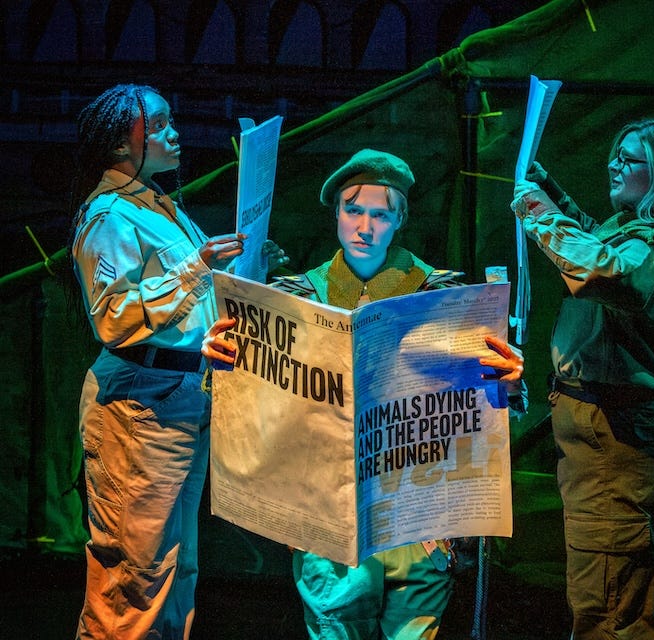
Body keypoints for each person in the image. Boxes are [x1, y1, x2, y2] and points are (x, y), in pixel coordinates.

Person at [203, 148, 525, 639]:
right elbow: (254, 408)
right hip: (330, 517)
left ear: (400, 220)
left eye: (380, 215)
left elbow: (486, 409)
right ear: (335, 213)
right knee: (336, 625)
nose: (365, 227)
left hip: (419, 518)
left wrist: (508, 382)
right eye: (354, 211)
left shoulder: (441, 295)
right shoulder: (296, 298)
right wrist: (223, 367)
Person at [69, 83, 287, 639]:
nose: (174, 133)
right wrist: (197, 266)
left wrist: (248, 267)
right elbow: (113, 317)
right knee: (135, 577)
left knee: (173, 570)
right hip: (140, 406)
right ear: (121, 142)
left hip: (179, 399)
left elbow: (191, 304)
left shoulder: (158, 207)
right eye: (159, 125)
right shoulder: (110, 215)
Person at [511, 117, 654, 639]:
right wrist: (553, 192)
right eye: (615, 154)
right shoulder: (638, 231)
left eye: (630, 159)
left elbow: (604, 270)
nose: (614, 165)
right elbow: (597, 239)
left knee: (608, 607)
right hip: (606, 434)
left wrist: (539, 213)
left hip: (613, 438)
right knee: (611, 590)